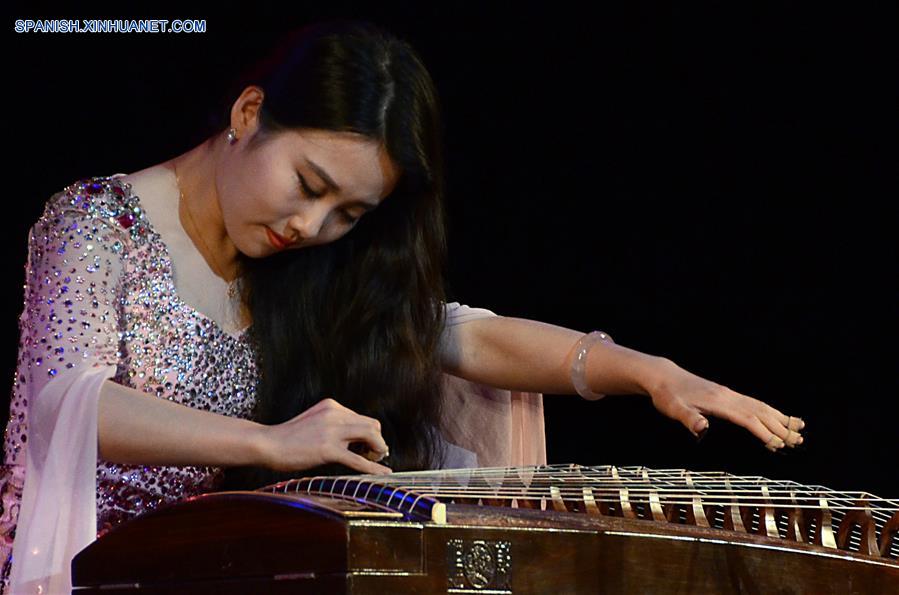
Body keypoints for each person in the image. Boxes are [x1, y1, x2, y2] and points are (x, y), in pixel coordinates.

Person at [0, 19, 805, 594]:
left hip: (214, 566)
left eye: (348, 213)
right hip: (84, 568)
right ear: (249, 114)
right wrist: (268, 440)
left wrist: (647, 371)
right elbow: (64, 404)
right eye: (309, 185)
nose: (309, 227)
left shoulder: (299, 264)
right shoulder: (95, 223)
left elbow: (457, 338)